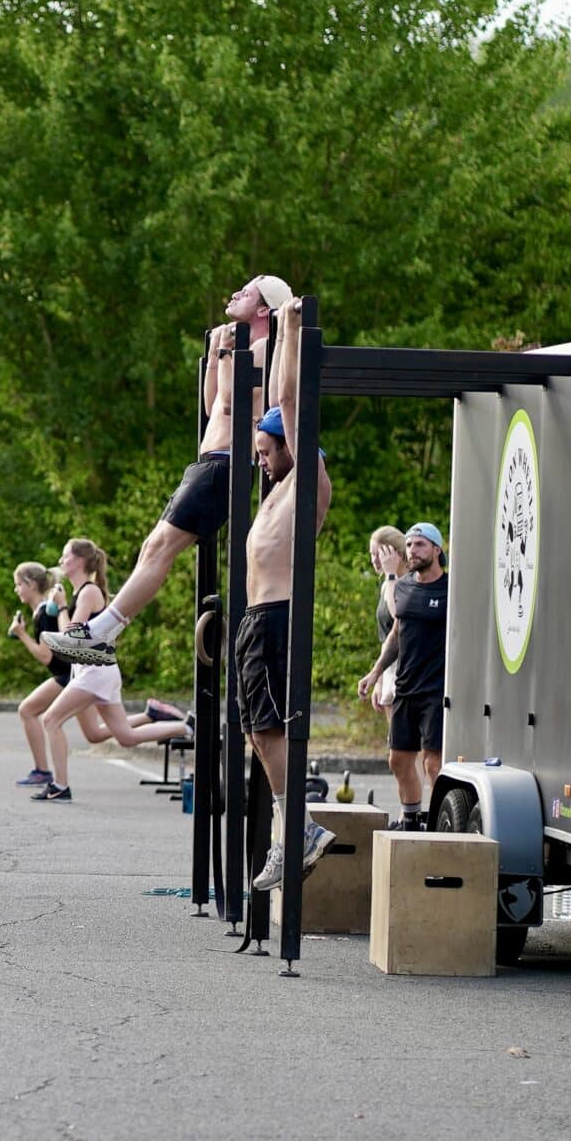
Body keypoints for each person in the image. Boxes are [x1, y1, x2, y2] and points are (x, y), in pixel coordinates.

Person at [46, 274, 293, 667]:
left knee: (159, 548)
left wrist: (226, 352)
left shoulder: (262, 347)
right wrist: (216, 354)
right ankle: (102, 633)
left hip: (225, 464)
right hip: (211, 462)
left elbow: (232, 403)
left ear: (263, 310)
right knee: (153, 547)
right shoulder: (245, 348)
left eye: (245, 293)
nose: (234, 294)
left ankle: (101, 635)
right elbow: (212, 407)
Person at [235, 302, 337, 890]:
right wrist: (274, 332)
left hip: (278, 617)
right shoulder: (276, 485)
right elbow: (274, 401)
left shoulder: (306, 480)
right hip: (256, 618)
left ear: (291, 444)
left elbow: (289, 399)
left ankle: (298, 829)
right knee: (256, 732)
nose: (261, 458)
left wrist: (294, 328)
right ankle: (294, 828)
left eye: (267, 449)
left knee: (272, 729)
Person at [31, 541, 189, 803]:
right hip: (92, 671)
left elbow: (73, 636)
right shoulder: (80, 592)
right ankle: (186, 726)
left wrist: (61, 607)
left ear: (79, 561)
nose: (60, 560)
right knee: (116, 736)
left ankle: (59, 786)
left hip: (95, 671)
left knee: (51, 720)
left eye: (65, 556)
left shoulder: (90, 592)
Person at [358, 522, 449, 830]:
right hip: (405, 688)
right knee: (397, 760)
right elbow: (396, 634)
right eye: (409, 545)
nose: (413, 551)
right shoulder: (405, 586)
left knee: (433, 763)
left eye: (420, 544)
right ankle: (411, 821)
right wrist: (375, 673)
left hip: (436, 690)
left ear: (436, 549)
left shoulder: (450, 588)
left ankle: (439, 827)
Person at [6, 562, 68, 787]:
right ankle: (152, 716)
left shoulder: (44, 614)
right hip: (73, 674)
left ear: (31, 584)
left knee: (27, 710)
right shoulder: (41, 612)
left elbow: (45, 656)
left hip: (67, 676)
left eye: (18, 585)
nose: (16, 590)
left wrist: (21, 634)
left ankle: (42, 771)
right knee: (98, 732)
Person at [365, 524, 406, 725]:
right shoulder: (386, 586)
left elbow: (398, 614)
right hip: (389, 669)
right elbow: (385, 636)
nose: (374, 560)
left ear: (394, 553)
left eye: (378, 554)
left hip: (406, 669)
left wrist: (391, 575)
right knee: (393, 739)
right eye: (371, 554)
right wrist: (379, 681)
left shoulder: (407, 582)